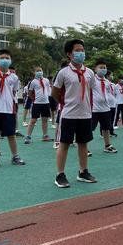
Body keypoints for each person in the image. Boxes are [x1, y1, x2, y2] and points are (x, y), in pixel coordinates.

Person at [51, 39, 97, 188]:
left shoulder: (89, 73)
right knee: (64, 144)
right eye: (77, 50)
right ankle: (60, 174)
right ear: (69, 54)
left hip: (85, 114)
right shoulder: (63, 72)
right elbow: (55, 92)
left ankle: (83, 172)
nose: (81, 53)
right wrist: (66, 104)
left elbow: (91, 90)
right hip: (68, 114)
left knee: (83, 144)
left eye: (82, 50)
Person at [0, 50, 25, 168]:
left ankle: (15, 156)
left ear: (10, 60)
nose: (4, 60)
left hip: (8, 110)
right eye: (2, 57)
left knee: (11, 134)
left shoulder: (14, 77)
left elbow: (14, 91)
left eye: (7, 58)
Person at [90, 60, 118, 154]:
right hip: (94, 109)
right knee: (89, 129)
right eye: (101, 67)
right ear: (95, 69)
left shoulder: (107, 82)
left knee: (106, 128)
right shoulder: (91, 80)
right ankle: (85, 148)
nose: (103, 69)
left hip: (106, 108)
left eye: (105, 68)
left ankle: (107, 145)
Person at [24, 67, 53, 144]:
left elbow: (48, 90)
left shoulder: (46, 81)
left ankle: (45, 135)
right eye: (37, 71)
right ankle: (28, 136)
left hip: (46, 103)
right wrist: (33, 99)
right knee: (33, 120)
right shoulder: (33, 82)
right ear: (34, 72)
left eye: (40, 70)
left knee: (45, 120)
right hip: (37, 103)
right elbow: (29, 93)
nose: (39, 72)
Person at [105, 71, 117, 137]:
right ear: (107, 76)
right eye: (111, 75)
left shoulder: (113, 84)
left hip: (113, 104)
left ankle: (111, 132)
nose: (112, 76)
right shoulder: (104, 83)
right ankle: (103, 133)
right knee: (106, 119)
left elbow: (114, 94)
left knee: (112, 119)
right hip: (106, 104)